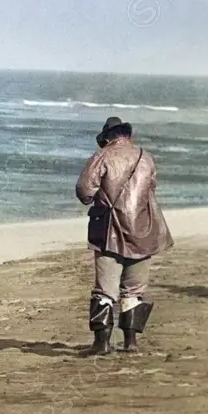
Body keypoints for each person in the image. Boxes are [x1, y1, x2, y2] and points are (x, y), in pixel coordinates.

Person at [76, 117, 174, 355]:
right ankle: (131, 343)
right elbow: (151, 189)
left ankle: (102, 344)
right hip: (144, 230)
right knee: (134, 290)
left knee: (105, 290)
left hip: (110, 231)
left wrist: (97, 200)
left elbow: (84, 190)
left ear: (107, 137)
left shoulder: (102, 157)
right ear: (126, 134)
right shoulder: (146, 157)